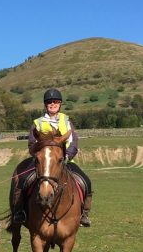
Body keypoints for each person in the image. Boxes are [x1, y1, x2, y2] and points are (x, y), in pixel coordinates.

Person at [11, 88, 93, 227]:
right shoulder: (37, 123)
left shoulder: (67, 121)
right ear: (45, 105)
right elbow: (32, 144)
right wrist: (38, 155)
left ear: (60, 104)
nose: (52, 104)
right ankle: (19, 212)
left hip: (64, 160)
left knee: (86, 181)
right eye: (49, 102)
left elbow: (73, 142)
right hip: (42, 162)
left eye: (55, 102)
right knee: (23, 181)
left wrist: (67, 156)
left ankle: (83, 214)